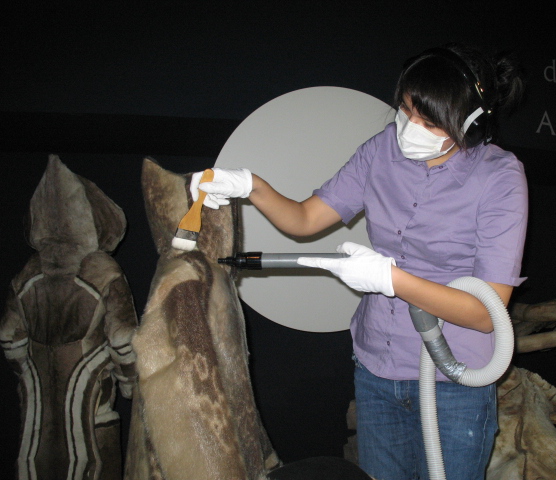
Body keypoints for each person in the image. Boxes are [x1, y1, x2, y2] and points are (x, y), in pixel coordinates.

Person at [190, 43, 527, 480]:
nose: (410, 128)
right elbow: (306, 218)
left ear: (471, 124)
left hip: (454, 383)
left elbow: (487, 314)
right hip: (377, 372)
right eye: (406, 111)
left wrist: (390, 279)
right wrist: (252, 186)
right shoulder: (381, 150)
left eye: (430, 122)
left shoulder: (499, 177)